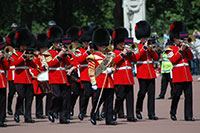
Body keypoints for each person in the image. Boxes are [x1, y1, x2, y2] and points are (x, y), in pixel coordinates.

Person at [87, 28, 117, 125]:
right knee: (98, 100)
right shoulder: (93, 56)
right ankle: (93, 114)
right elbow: (91, 71)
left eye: (104, 45)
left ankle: (109, 119)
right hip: (99, 81)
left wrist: (111, 70)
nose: (103, 47)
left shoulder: (109, 56)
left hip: (108, 81)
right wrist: (93, 82)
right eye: (101, 45)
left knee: (109, 101)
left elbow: (114, 67)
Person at [167, 21, 194, 121]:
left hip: (187, 75)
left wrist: (187, 49)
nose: (180, 40)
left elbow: (191, 57)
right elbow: (173, 60)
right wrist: (181, 50)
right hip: (178, 75)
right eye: (178, 38)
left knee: (189, 96)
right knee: (176, 95)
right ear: (174, 38)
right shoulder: (169, 48)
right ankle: (172, 112)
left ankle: (188, 115)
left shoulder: (184, 47)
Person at [46, 25, 72, 124]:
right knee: (57, 96)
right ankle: (51, 111)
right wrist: (59, 55)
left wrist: (65, 55)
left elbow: (69, 64)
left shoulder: (62, 52)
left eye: (59, 42)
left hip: (63, 77)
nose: (58, 44)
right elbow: (50, 64)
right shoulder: (48, 53)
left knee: (65, 98)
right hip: (54, 77)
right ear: (52, 42)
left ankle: (63, 117)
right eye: (56, 42)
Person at [135, 20, 159, 120]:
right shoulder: (136, 46)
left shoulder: (150, 45)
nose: (145, 39)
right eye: (143, 37)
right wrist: (143, 49)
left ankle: (151, 113)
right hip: (142, 71)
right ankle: (138, 109)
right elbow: (136, 57)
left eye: (145, 37)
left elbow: (156, 58)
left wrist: (151, 50)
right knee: (142, 92)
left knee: (151, 93)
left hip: (150, 72)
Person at [112, 27, 137, 122]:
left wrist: (130, 53)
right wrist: (123, 54)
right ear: (117, 43)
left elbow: (135, 60)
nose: (123, 44)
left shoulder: (128, 52)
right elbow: (114, 61)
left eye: (123, 42)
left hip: (129, 78)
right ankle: (115, 113)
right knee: (120, 97)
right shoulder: (114, 52)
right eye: (121, 43)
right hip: (120, 78)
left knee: (130, 98)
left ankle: (130, 115)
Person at [13, 28, 37, 123]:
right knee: (21, 96)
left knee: (29, 97)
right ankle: (17, 113)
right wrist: (22, 56)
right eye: (23, 45)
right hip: (19, 78)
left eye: (25, 45)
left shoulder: (27, 54)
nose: (24, 47)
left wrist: (30, 59)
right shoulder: (16, 54)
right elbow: (15, 63)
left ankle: (28, 116)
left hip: (28, 79)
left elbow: (34, 66)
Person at [0, 35, 10, 127]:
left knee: (2, 101)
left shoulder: (2, 54)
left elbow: (7, 67)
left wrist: (3, 58)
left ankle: (1, 119)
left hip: (2, 81)